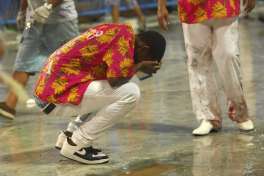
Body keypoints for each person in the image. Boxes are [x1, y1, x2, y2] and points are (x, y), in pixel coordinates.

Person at [33, 23, 166, 164]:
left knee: (122, 85)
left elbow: (114, 77)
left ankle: (69, 135)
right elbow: (115, 80)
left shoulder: (120, 31)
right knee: (131, 93)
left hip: (50, 91)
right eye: (147, 60)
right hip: (54, 96)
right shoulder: (124, 39)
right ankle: (76, 144)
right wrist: (139, 66)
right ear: (144, 49)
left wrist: (138, 68)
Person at [157, 0, 255, 135]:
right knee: (198, 60)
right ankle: (209, 117)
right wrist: (161, 5)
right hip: (191, 6)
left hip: (224, 4)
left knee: (229, 55)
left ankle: (240, 112)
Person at [0, 0, 79, 119]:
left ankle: (79, 103)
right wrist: (22, 13)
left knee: (71, 62)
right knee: (24, 59)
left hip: (62, 21)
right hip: (34, 21)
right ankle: (10, 104)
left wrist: (48, 6)